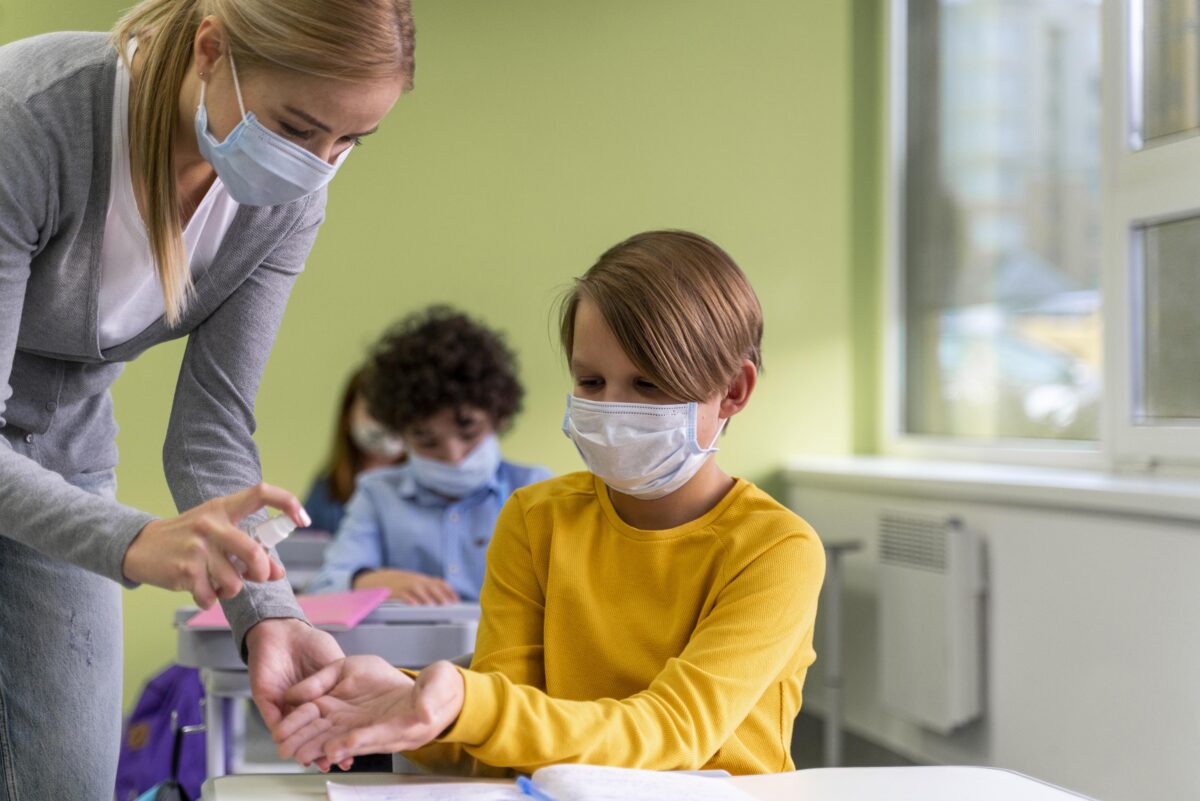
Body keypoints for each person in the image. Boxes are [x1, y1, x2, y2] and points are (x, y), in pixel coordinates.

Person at [0, 1, 415, 796]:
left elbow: (210, 431)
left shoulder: (290, 199)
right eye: (298, 127)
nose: (318, 165)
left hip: (60, 454)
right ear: (210, 48)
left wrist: (272, 613)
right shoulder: (30, 120)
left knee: (68, 781)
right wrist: (135, 539)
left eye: (347, 141)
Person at [272, 231, 827, 775]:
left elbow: (675, 731)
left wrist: (465, 704)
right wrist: (416, 704)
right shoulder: (537, 520)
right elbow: (504, 730)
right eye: (591, 381)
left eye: (648, 385)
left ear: (733, 391)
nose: (612, 409)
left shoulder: (776, 549)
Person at [307, 306, 552, 603]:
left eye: (469, 432)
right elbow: (322, 588)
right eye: (426, 441)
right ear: (400, 435)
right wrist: (369, 580)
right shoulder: (377, 494)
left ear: (498, 416)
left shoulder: (536, 490)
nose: (453, 456)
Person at [303, 366, 407, 536]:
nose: (386, 420)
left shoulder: (427, 486)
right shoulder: (328, 489)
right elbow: (300, 551)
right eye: (375, 410)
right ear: (348, 416)